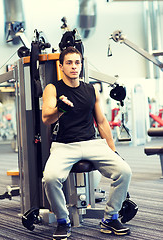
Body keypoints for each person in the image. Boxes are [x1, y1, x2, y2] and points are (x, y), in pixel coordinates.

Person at [42, 46, 132, 240]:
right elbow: (46, 119)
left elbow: (101, 122)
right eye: (69, 63)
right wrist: (60, 109)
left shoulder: (91, 89)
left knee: (124, 171)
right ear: (61, 66)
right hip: (64, 146)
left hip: (92, 143)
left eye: (77, 62)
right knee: (50, 178)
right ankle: (63, 221)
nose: (74, 67)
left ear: (81, 65)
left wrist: (113, 150)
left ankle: (110, 218)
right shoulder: (53, 88)